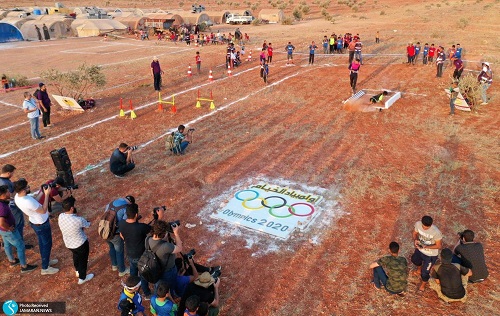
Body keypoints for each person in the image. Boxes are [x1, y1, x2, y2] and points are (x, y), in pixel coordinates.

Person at [14, 178, 59, 275]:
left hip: (35, 222)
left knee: (43, 243)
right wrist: (47, 195)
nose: (28, 188)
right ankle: (45, 268)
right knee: (47, 244)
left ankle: (46, 261)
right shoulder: (27, 201)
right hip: (41, 223)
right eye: (27, 187)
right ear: (22, 190)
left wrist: (42, 192)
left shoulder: (18, 197)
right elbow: (43, 210)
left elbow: (35, 202)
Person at [0, 185, 38, 273]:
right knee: (20, 246)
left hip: (2, 231)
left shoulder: (2, 203)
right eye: (7, 192)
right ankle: (24, 266)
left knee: (7, 244)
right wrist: (9, 228)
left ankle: (12, 260)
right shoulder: (2, 207)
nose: (9, 193)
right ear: (3, 194)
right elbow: (1, 222)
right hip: (8, 231)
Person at [58, 196, 94, 284]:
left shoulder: (61, 216)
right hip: (81, 243)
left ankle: (77, 271)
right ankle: (82, 278)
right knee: (83, 260)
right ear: (71, 208)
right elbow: (88, 225)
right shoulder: (78, 220)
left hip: (69, 243)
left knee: (76, 256)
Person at [119, 204, 152, 299]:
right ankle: (147, 293)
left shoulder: (121, 223)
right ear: (136, 215)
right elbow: (152, 230)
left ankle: (132, 288)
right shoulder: (141, 227)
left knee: (133, 271)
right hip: (140, 255)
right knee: (143, 275)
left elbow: (121, 235)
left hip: (130, 252)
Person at [0, 164, 32, 249]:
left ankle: (9, 243)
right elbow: (9, 195)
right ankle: (20, 243)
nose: (12, 175)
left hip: (9, 206)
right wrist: (20, 190)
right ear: (8, 173)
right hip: (12, 207)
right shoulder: (4, 182)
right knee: (18, 224)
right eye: (12, 173)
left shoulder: (3, 180)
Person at [147, 220, 183, 290]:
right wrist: (176, 234)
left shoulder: (148, 239)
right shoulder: (166, 246)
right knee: (170, 287)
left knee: (159, 287)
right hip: (167, 271)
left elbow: (158, 241)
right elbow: (179, 248)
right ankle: (171, 295)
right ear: (163, 234)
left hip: (155, 269)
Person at [104, 196, 135, 277]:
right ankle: (122, 270)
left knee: (111, 248)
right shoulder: (125, 208)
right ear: (131, 203)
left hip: (105, 231)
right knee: (119, 251)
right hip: (115, 234)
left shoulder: (111, 203)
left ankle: (114, 265)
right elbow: (124, 223)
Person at [411, 215, 442, 291]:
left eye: (427, 228)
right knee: (415, 260)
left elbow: (439, 246)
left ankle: (423, 284)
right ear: (421, 222)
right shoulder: (418, 224)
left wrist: (426, 247)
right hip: (420, 249)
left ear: (431, 225)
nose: (424, 228)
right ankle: (419, 269)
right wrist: (415, 240)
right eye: (423, 226)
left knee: (425, 273)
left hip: (430, 255)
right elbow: (414, 233)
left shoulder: (436, 232)